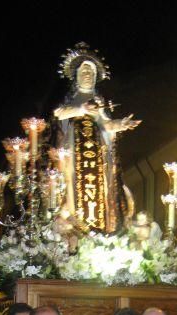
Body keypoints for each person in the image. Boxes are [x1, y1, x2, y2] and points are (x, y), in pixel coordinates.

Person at [54, 42, 140, 233]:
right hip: (75, 153)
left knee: (99, 190)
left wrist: (121, 125)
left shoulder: (99, 101)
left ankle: (100, 230)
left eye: (91, 73)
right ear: (76, 76)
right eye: (84, 71)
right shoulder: (71, 99)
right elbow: (59, 114)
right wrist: (81, 109)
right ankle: (74, 227)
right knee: (73, 188)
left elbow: (106, 125)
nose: (88, 75)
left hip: (96, 155)